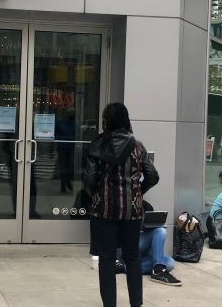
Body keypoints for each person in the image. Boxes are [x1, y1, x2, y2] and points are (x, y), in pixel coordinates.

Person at [84, 102, 159, 307]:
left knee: (107, 259)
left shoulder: (97, 144)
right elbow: (152, 176)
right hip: (132, 211)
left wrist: (96, 195)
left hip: (104, 209)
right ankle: (136, 304)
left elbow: (89, 179)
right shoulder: (137, 145)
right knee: (132, 257)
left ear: (106, 121)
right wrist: (138, 193)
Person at [113, 201, 182, 287]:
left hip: (141, 251)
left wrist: (147, 227)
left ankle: (127, 268)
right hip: (126, 246)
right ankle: (157, 269)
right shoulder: (122, 205)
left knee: (170, 263)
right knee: (161, 231)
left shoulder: (146, 206)